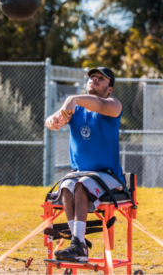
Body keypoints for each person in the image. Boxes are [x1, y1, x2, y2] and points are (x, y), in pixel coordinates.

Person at [45, 66, 124, 262]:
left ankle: (78, 244)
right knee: (66, 186)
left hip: (108, 175)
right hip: (80, 173)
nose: (94, 80)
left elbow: (97, 104)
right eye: (92, 77)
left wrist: (73, 99)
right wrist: (53, 121)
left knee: (81, 185)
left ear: (109, 89)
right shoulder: (76, 109)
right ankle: (77, 244)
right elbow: (49, 122)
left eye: (101, 78)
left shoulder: (113, 105)